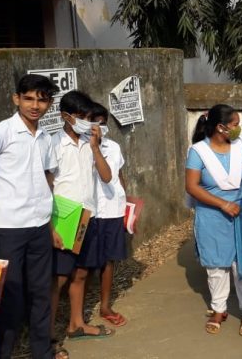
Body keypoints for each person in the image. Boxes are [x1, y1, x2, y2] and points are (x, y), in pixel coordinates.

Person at [0, 75, 62, 359]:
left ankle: (42, 352)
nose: (35, 106)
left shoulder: (45, 138)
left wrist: (50, 224)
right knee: (10, 298)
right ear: (16, 98)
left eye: (42, 100)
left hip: (39, 226)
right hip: (6, 228)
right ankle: (3, 353)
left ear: (50, 104)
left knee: (41, 293)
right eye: (28, 98)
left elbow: (48, 178)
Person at [186, 104, 242, 336]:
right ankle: (219, 308)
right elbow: (192, 186)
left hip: (241, 213)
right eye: (235, 124)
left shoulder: (240, 147)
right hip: (212, 215)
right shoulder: (198, 152)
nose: (239, 128)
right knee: (216, 265)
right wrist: (223, 204)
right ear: (220, 127)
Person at [50, 91, 114, 344]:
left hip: (89, 216)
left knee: (81, 273)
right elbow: (46, 184)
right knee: (59, 279)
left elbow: (107, 176)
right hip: (64, 217)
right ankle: (47, 335)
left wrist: (95, 148)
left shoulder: (90, 143)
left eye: (88, 117)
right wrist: (51, 226)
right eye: (81, 117)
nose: (87, 122)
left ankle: (76, 324)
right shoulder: (53, 144)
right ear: (66, 116)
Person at [89, 103, 128, 328]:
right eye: (94, 123)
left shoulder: (113, 147)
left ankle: (105, 306)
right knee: (84, 265)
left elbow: (119, 176)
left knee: (108, 260)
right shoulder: (81, 147)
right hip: (90, 211)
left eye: (102, 123)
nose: (99, 127)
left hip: (113, 209)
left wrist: (126, 205)